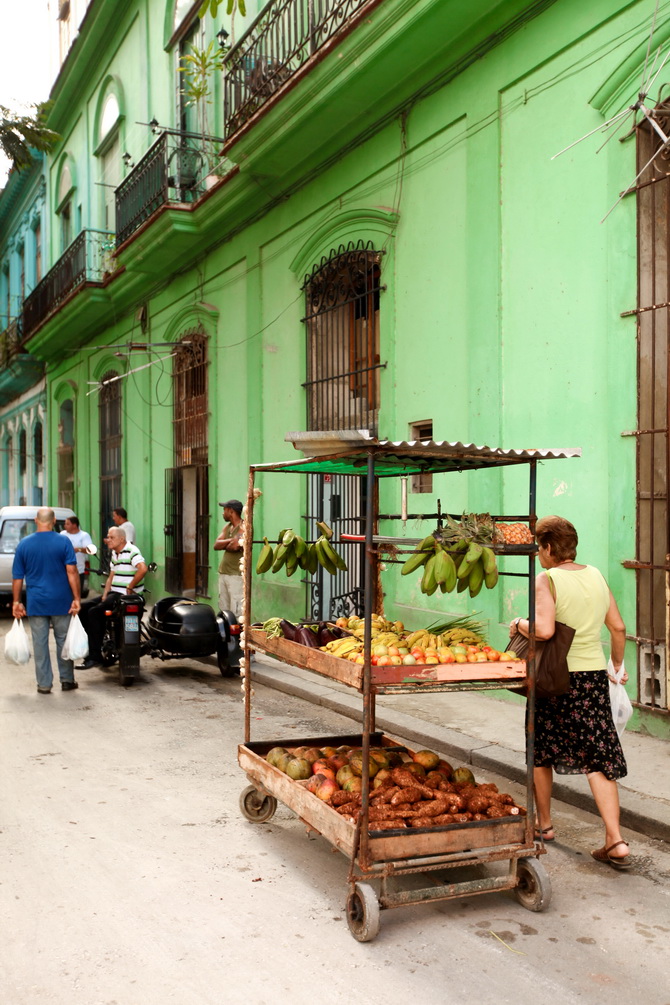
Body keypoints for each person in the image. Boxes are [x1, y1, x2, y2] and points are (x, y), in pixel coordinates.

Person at [509, 515, 630, 869]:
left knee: (542, 748)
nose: (538, 555)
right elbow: (618, 627)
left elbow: (544, 630)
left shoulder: (547, 578)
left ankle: (544, 825)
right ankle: (615, 839)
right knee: (598, 755)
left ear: (547, 547)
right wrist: (616, 667)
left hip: (554, 678)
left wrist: (518, 624)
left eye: (538, 548)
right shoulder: (595, 574)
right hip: (591, 677)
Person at [11, 507, 81, 694]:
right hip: (61, 601)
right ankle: (67, 680)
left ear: (36, 520)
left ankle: (44, 684)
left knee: (40, 644)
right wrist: (76, 598)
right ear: (54, 520)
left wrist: (17, 602)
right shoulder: (63, 541)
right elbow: (72, 571)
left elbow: (17, 577)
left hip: (37, 602)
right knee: (63, 641)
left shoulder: (24, 544)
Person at [77, 526, 148, 669]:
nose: (107, 540)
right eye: (107, 537)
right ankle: (97, 638)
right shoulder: (115, 554)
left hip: (124, 597)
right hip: (113, 594)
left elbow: (143, 568)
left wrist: (130, 586)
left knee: (94, 613)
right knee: (82, 608)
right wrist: (104, 595)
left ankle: (95, 655)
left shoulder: (131, 551)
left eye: (111, 537)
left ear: (121, 539)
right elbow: (111, 577)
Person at [214, 499, 244, 616]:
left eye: (224, 510)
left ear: (231, 511)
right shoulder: (227, 527)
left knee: (237, 611)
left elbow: (235, 546)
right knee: (224, 610)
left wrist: (227, 543)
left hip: (236, 575)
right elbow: (216, 545)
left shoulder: (244, 526)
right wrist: (231, 540)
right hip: (223, 573)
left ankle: (237, 635)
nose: (223, 513)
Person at [61, 515, 97, 595]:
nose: (65, 526)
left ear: (74, 525)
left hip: (78, 570)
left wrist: (78, 549)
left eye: (67, 524)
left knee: (75, 594)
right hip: (63, 570)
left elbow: (90, 550)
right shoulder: (62, 534)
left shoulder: (83, 535)